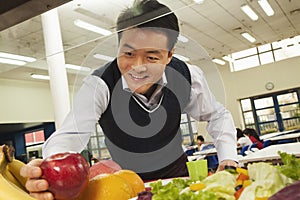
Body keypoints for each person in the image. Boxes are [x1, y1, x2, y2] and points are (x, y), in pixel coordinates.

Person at [20, 0, 238, 199]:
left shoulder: (188, 76)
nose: (137, 67)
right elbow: (69, 135)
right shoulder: (99, 84)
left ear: (169, 55)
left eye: (152, 57)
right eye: (128, 54)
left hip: (178, 179)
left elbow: (217, 115)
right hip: (125, 186)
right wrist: (49, 172)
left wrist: (228, 158)